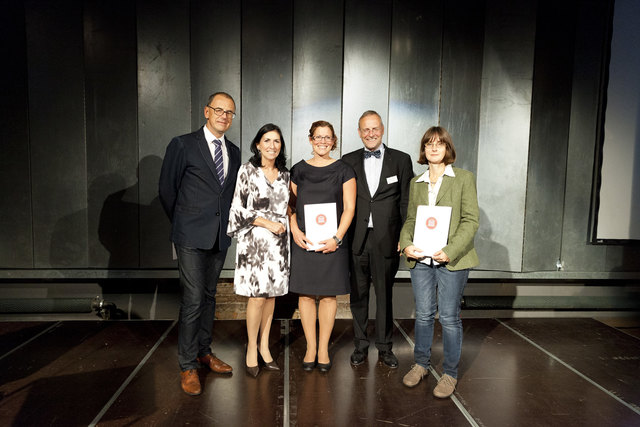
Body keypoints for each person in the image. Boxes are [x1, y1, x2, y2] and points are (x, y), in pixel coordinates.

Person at [158, 92, 241, 396]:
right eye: (218, 110)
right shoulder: (183, 144)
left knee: (208, 296)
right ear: (206, 111)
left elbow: (229, 195)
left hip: (219, 235)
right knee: (193, 298)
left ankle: (204, 352)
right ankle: (187, 364)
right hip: (190, 235)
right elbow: (167, 190)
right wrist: (184, 221)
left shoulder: (233, 149)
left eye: (229, 112)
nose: (224, 116)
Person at [399, 126, 479, 398]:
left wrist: (449, 250)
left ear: (447, 149)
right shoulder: (416, 182)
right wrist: (407, 243)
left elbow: (470, 220)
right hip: (421, 259)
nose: (434, 148)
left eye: (439, 144)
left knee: (448, 317)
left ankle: (450, 374)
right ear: (423, 150)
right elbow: (411, 220)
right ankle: (421, 364)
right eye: (429, 144)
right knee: (422, 315)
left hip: (451, 260)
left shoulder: (464, 179)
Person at [342, 110, 413, 369]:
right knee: (358, 296)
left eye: (375, 129)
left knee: (384, 296)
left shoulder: (401, 160)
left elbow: (406, 202)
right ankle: (360, 346)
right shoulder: (347, 161)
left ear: (382, 129)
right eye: (365, 129)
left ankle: (385, 348)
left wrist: (405, 238)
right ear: (359, 132)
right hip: (356, 239)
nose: (370, 134)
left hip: (387, 240)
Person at [288, 120, 356, 372]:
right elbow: (290, 206)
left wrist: (337, 238)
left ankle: (324, 348)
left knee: (328, 296)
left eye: (327, 137)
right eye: (318, 137)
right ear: (310, 140)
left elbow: (349, 208)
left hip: (333, 242)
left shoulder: (344, 170)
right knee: (305, 295)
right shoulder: (298, 170)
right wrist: (294, 230)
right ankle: (310, 347)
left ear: (334, 141)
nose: (322, 142)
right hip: (304, 240)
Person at [227, 123, 290, 378]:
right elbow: (237, 208)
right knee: (256, 298)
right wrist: (267, 223)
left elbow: (289, 209)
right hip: (254, 242)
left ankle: (265, 346)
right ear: (257, 144)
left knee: (271, 297)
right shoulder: (247, 171)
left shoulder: (286, 174)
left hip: (278, 244)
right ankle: (251, 348)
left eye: (277, 141)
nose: (272, 146)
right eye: (267, 140)